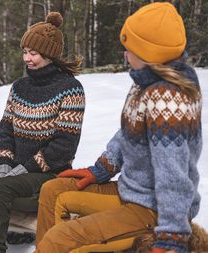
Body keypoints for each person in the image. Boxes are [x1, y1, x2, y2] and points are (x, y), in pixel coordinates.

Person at [33, 2, 202, 253]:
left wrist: (172, 236)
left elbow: (173, 173)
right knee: (52, 191)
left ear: (147, 53)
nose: (124, 53)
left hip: (154, 210)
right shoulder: (147, 82)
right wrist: (102, 169)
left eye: (129, 47)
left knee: (60, 240)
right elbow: (127, 133)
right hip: (131, 192)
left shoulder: (167, 98)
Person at [0, 11, 85, 253]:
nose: (27, 58)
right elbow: (5, 129)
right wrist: (4, 163)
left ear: (49, 54)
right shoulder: (19, 87)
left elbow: (63, 147)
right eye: (25, 52)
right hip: (14, 173)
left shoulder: (70, 90)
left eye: (33, 53)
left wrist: (23, 169)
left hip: (50, 176)